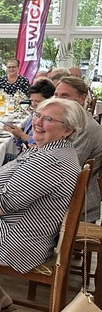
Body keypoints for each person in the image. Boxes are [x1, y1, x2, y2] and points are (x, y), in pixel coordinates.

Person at [0, 98, 86, 312]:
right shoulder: (52, 150)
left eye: (48, 119)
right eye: (37, 115)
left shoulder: (50, 160)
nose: (38, 122)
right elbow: (3, 183)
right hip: (25, 235)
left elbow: (4, 203)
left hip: (17, 243)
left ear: (67, 130)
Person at [54, 76, 102, 222]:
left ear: (82, 98)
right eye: (56, 95)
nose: (58, 100)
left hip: (76, 206)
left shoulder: (85, 128)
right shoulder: (71, 122)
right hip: (65, 195)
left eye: (65, 96)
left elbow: (63, 169)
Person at [3, 78, 55, 153]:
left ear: (49, 100)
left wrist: (22, 135)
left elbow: (43, 144)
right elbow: (23, 144)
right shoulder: (35, 115)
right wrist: (16, 134)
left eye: (37, 101)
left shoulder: (50, 120)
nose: (33, 104)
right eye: (31, 100)